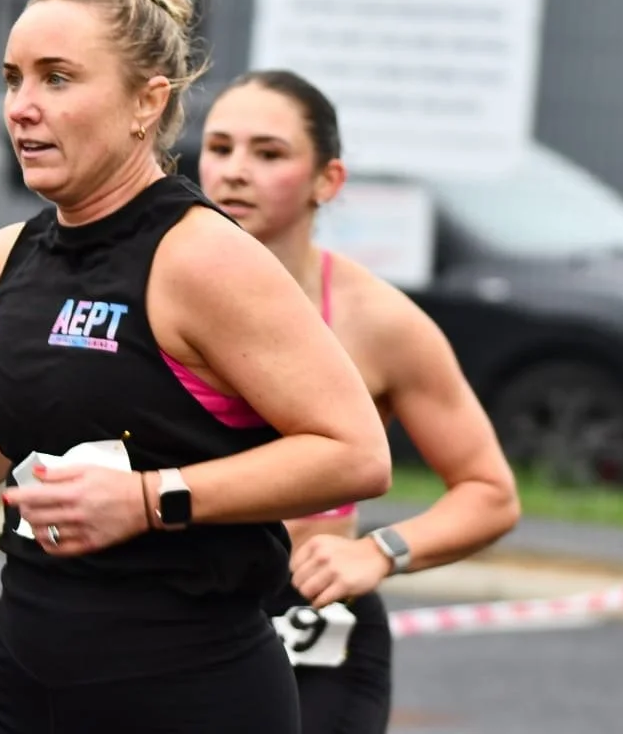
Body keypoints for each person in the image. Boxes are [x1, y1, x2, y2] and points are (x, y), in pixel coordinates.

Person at [0, 0, 393, 734]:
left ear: (148, 101)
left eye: (58, 78)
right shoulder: (7, 257)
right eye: (13, 80)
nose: (23, 107)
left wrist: (152, 499)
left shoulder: (201, 257)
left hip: (187, 680)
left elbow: (355, 454)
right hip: (21, 667)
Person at [197, 69, 521, 734]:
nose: (235, 171)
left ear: (328, 181)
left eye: (269, 153)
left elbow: (490, 492)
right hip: (175, 613)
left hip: (311, 620)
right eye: (219, 147)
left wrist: (379, 552)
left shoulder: (377, 321)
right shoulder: (155, 293)